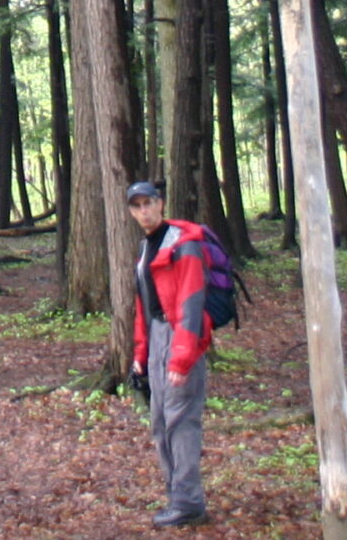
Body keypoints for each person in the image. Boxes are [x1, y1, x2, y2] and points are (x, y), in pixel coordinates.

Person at [127, 180, 210, 528]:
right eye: (137, 206)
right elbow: (144, 306)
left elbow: (191, 305)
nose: (144, 211)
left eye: (149, 203)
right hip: (158, 336)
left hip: (181, 337)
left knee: (180, 420)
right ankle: (177, 494)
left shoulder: (184, 244)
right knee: (161, 421)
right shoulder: (147, 248)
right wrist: (141, 355)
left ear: (161, 204)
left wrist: (181, 359)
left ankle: (189, 501)